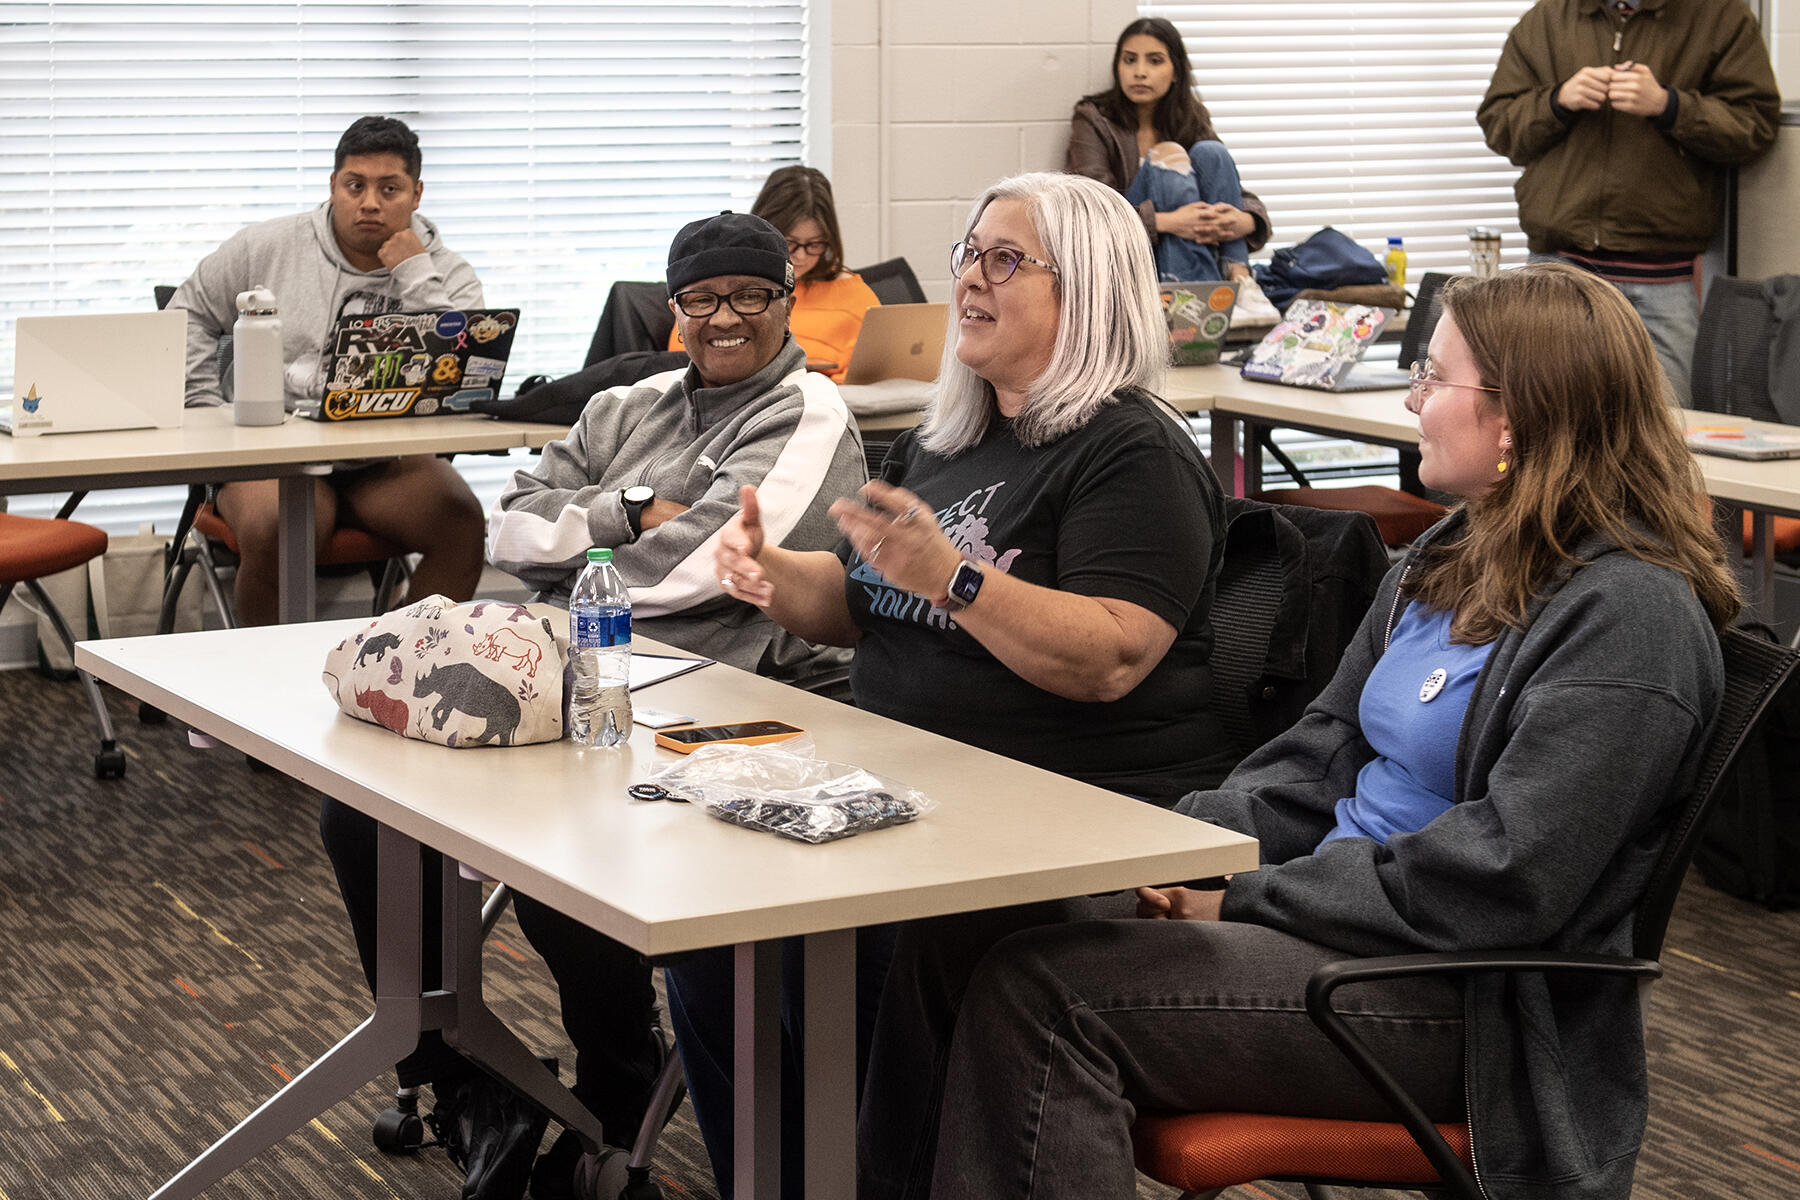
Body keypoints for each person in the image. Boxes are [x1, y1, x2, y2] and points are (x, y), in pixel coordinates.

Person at [856, 261, 1742, 1200]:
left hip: (1468, 1006)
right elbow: (1321, 753)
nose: (1413, 401)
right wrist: (1176, 849)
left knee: (1046, 999)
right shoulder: (1453, 554)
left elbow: (1502, 878)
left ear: (1517, 415)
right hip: (1344, 931)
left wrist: (1249, 897)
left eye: (1433, 378)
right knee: (958, 935)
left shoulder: (1628, 619)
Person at [671, 170, 1240, 1198]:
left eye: (1006, 260)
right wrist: (768, 575)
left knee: (836, 944)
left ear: (1089, 288)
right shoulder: (945, 441)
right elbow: (859, 605)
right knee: (716, 940)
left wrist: (954, 576)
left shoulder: (1133, 451)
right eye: (969, 255)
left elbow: (1110, 655)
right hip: (910, 786)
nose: (971, 279)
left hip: (1058, 810)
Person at [321, 211, 865, 1200]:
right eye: (702, 299)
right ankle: (459, 1081)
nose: (725, 318)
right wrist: (627, 513)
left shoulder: (806, 411)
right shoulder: (630, 403)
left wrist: (583, 554)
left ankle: (614, 1083)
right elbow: (509, 528)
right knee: (362, 812)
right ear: (674, 308)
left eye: (750, 296)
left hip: (721, 700)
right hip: (571, 680)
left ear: (786, 303)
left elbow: (709, 564)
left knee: (560, 841)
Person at [167, 115, 488, 625]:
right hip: (274, 454)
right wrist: (206, 411)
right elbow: (186, 315)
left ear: (417, 193)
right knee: (279, 528)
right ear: (333, 186)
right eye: (355, 186)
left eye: (389, 189)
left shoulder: (445, 270)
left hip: (382, 458)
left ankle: (390, 657)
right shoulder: (268, 246)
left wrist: (414, 272)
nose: (370, 202)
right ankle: (267, 676)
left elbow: (464, 373)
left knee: (462, 525)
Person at [1477, 0, 1779, 407]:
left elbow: (1754, 126)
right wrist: (1556, 101)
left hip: (1662, 281)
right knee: (1546, 419)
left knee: (1668, 424)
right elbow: (1498, 124)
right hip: (1558, 274)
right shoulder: (1549, 16)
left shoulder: (1720, 15)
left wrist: (1669, 106)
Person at [1065, 16, 1272, 283]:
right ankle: (1196, 290)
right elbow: (1091, 209)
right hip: (1128, 255)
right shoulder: (1093, 118)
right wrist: (1168, 222)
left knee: (1212, 153)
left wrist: (1245, 221)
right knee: (1169, 157)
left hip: (1192, 249)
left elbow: (1235, 191)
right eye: (1130, 60)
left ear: (1176, 72)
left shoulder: (1190, 117)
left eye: (1155, 61)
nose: (1140, 72)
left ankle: (1240, 278)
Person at [668, 166, 880, 382]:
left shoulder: (855, 296)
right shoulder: (707, 289)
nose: (800, 257)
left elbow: (876, 373)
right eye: (789, 244)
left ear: (788, 308)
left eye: (814, 244)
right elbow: (686, 360)